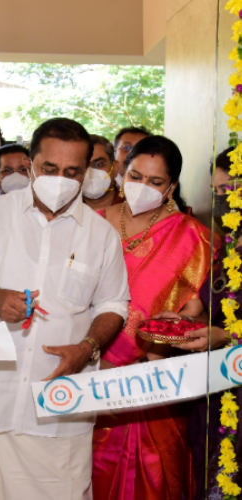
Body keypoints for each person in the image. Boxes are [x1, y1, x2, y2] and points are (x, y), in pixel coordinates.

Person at [0, 117, 130, 500]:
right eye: (50, 169)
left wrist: (87, 349)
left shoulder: (101, 236)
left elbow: (114, 303)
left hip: (62, 408)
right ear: (31, 163)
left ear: (86, 173)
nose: (60, 179)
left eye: (72, 171)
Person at [91, 136, 214, 500]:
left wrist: (182, 323)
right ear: (120, 173)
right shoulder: (91, 223)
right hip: (88, 372)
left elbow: (204, 314)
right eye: (135, 175)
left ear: (171, 187)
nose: (142, 187)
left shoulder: (193, 237)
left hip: (153, 381)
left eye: (156, 182)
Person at [159, 147, 240, 500]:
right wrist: (186, 320)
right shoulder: (227, 248)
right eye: (217, 191)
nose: (223, 201)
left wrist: (225, 335)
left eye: (232, 189)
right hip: (217, 394)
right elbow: (211, 309)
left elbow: (225, 326)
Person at [82, 134, 123, 210]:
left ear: (115, 167)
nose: (89, 173)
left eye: (98, 164)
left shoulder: (133, 208)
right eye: (83, 166)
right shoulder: (63, 211)